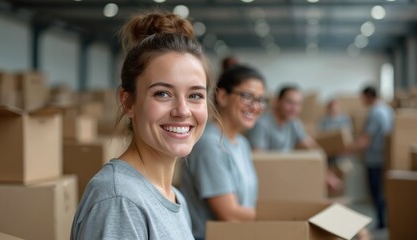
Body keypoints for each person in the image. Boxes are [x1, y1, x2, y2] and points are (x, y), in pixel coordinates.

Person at [71, 11, 215, 239]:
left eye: (195, 95)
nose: (182, 111)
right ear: (128, 102)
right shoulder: (119, 202)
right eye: (163, 93)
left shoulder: (175, 198)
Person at [180, 65, 267, 240]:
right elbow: (229, 214)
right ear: (222, 96)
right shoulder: (209, 145)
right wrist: (285, 216)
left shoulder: (242, 143)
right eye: (247, 96)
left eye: (261, 100)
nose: (255, 106)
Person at [344, 86, 393, 229]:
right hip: (385, 156)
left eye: (362, 97)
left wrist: (347, 149)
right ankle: (385, 221)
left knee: (376, 191)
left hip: (374, 158)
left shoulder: (374, 113)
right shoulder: (387, 110)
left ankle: (382, 222)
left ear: (368, 96)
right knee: (382, 191)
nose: (361, 100)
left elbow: (366, 139)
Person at [248, 85, 317, 151]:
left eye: (298, 104)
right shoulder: (261, 124)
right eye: (289, 102)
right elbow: (259, 158)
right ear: (277, 101)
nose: (294, 108)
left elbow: (311, 146)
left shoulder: (294, 122)